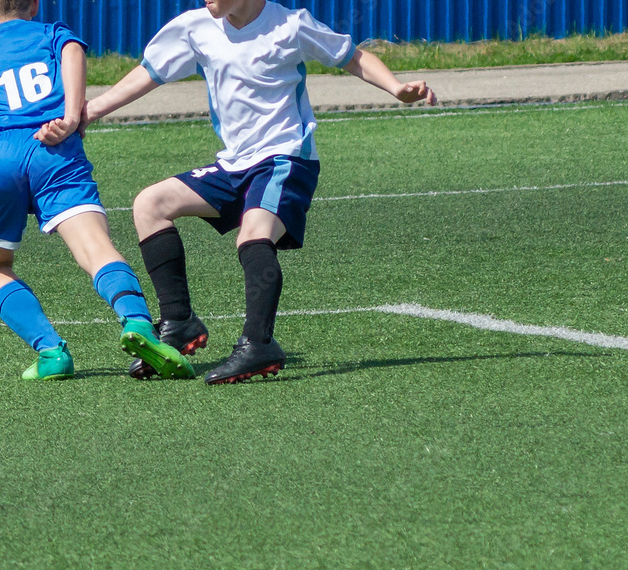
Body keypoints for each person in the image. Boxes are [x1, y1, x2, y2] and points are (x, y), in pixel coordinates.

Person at [38, 0, 437, 384]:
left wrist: (396, 88)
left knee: (253, 235)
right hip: (233, 165)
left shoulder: (290, 25)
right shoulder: (196, 27)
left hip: (285, 159)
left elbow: (352, 56)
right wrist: (85, 114)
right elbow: (149, 72)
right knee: (149, 204)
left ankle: (260, 344)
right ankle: (179, 323)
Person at [0, 0, 195, 381]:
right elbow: (72, 51)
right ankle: (139, 324)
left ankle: (50, 351)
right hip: (54, 150)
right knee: (95, 248)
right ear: (34, 5)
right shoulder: (53, 34)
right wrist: (73, 116)